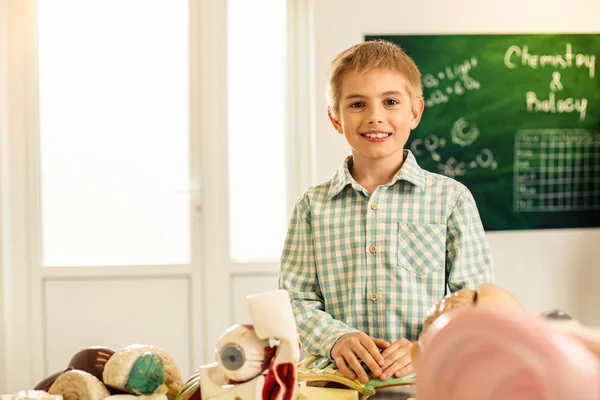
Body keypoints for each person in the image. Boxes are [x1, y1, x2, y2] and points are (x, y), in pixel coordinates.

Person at [278, 40, 493, 385]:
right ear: (335, 118)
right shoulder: (311, 207)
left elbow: (475, 300)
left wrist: (425, 346)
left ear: (415, 112)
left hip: (426, 380)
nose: (374, 116)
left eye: (390, 101)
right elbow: (294, 300)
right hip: (336, 385)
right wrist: (335, 340)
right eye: (357, 104)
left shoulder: (452, 200)